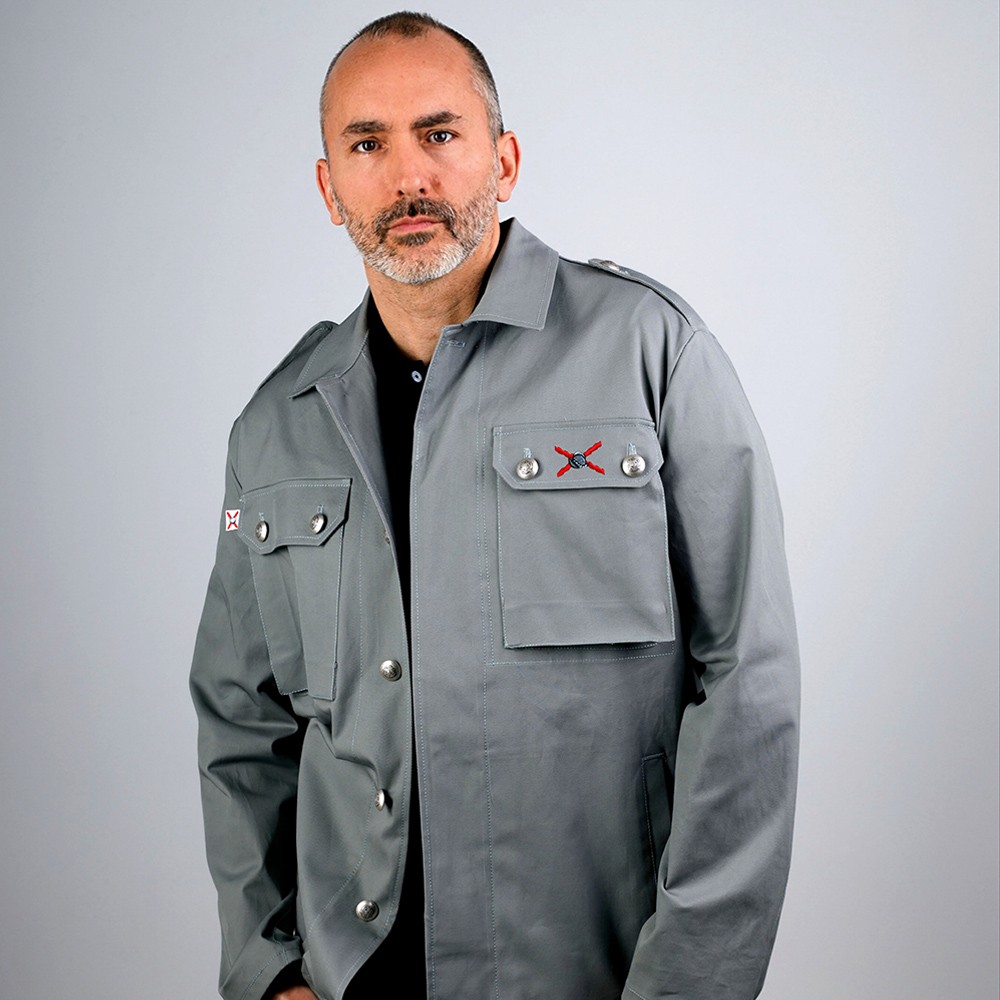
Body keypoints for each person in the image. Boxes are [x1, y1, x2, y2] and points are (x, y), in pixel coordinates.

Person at [190, 11, 800, 1000]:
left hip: (595, 974)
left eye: (439, 133)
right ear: (329, 188)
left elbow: (749, 687)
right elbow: (239, 719)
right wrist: (268, 969)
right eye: (367, 145)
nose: (408, 176)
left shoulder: (650, 353)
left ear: (504, 161)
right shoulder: (278, 423)